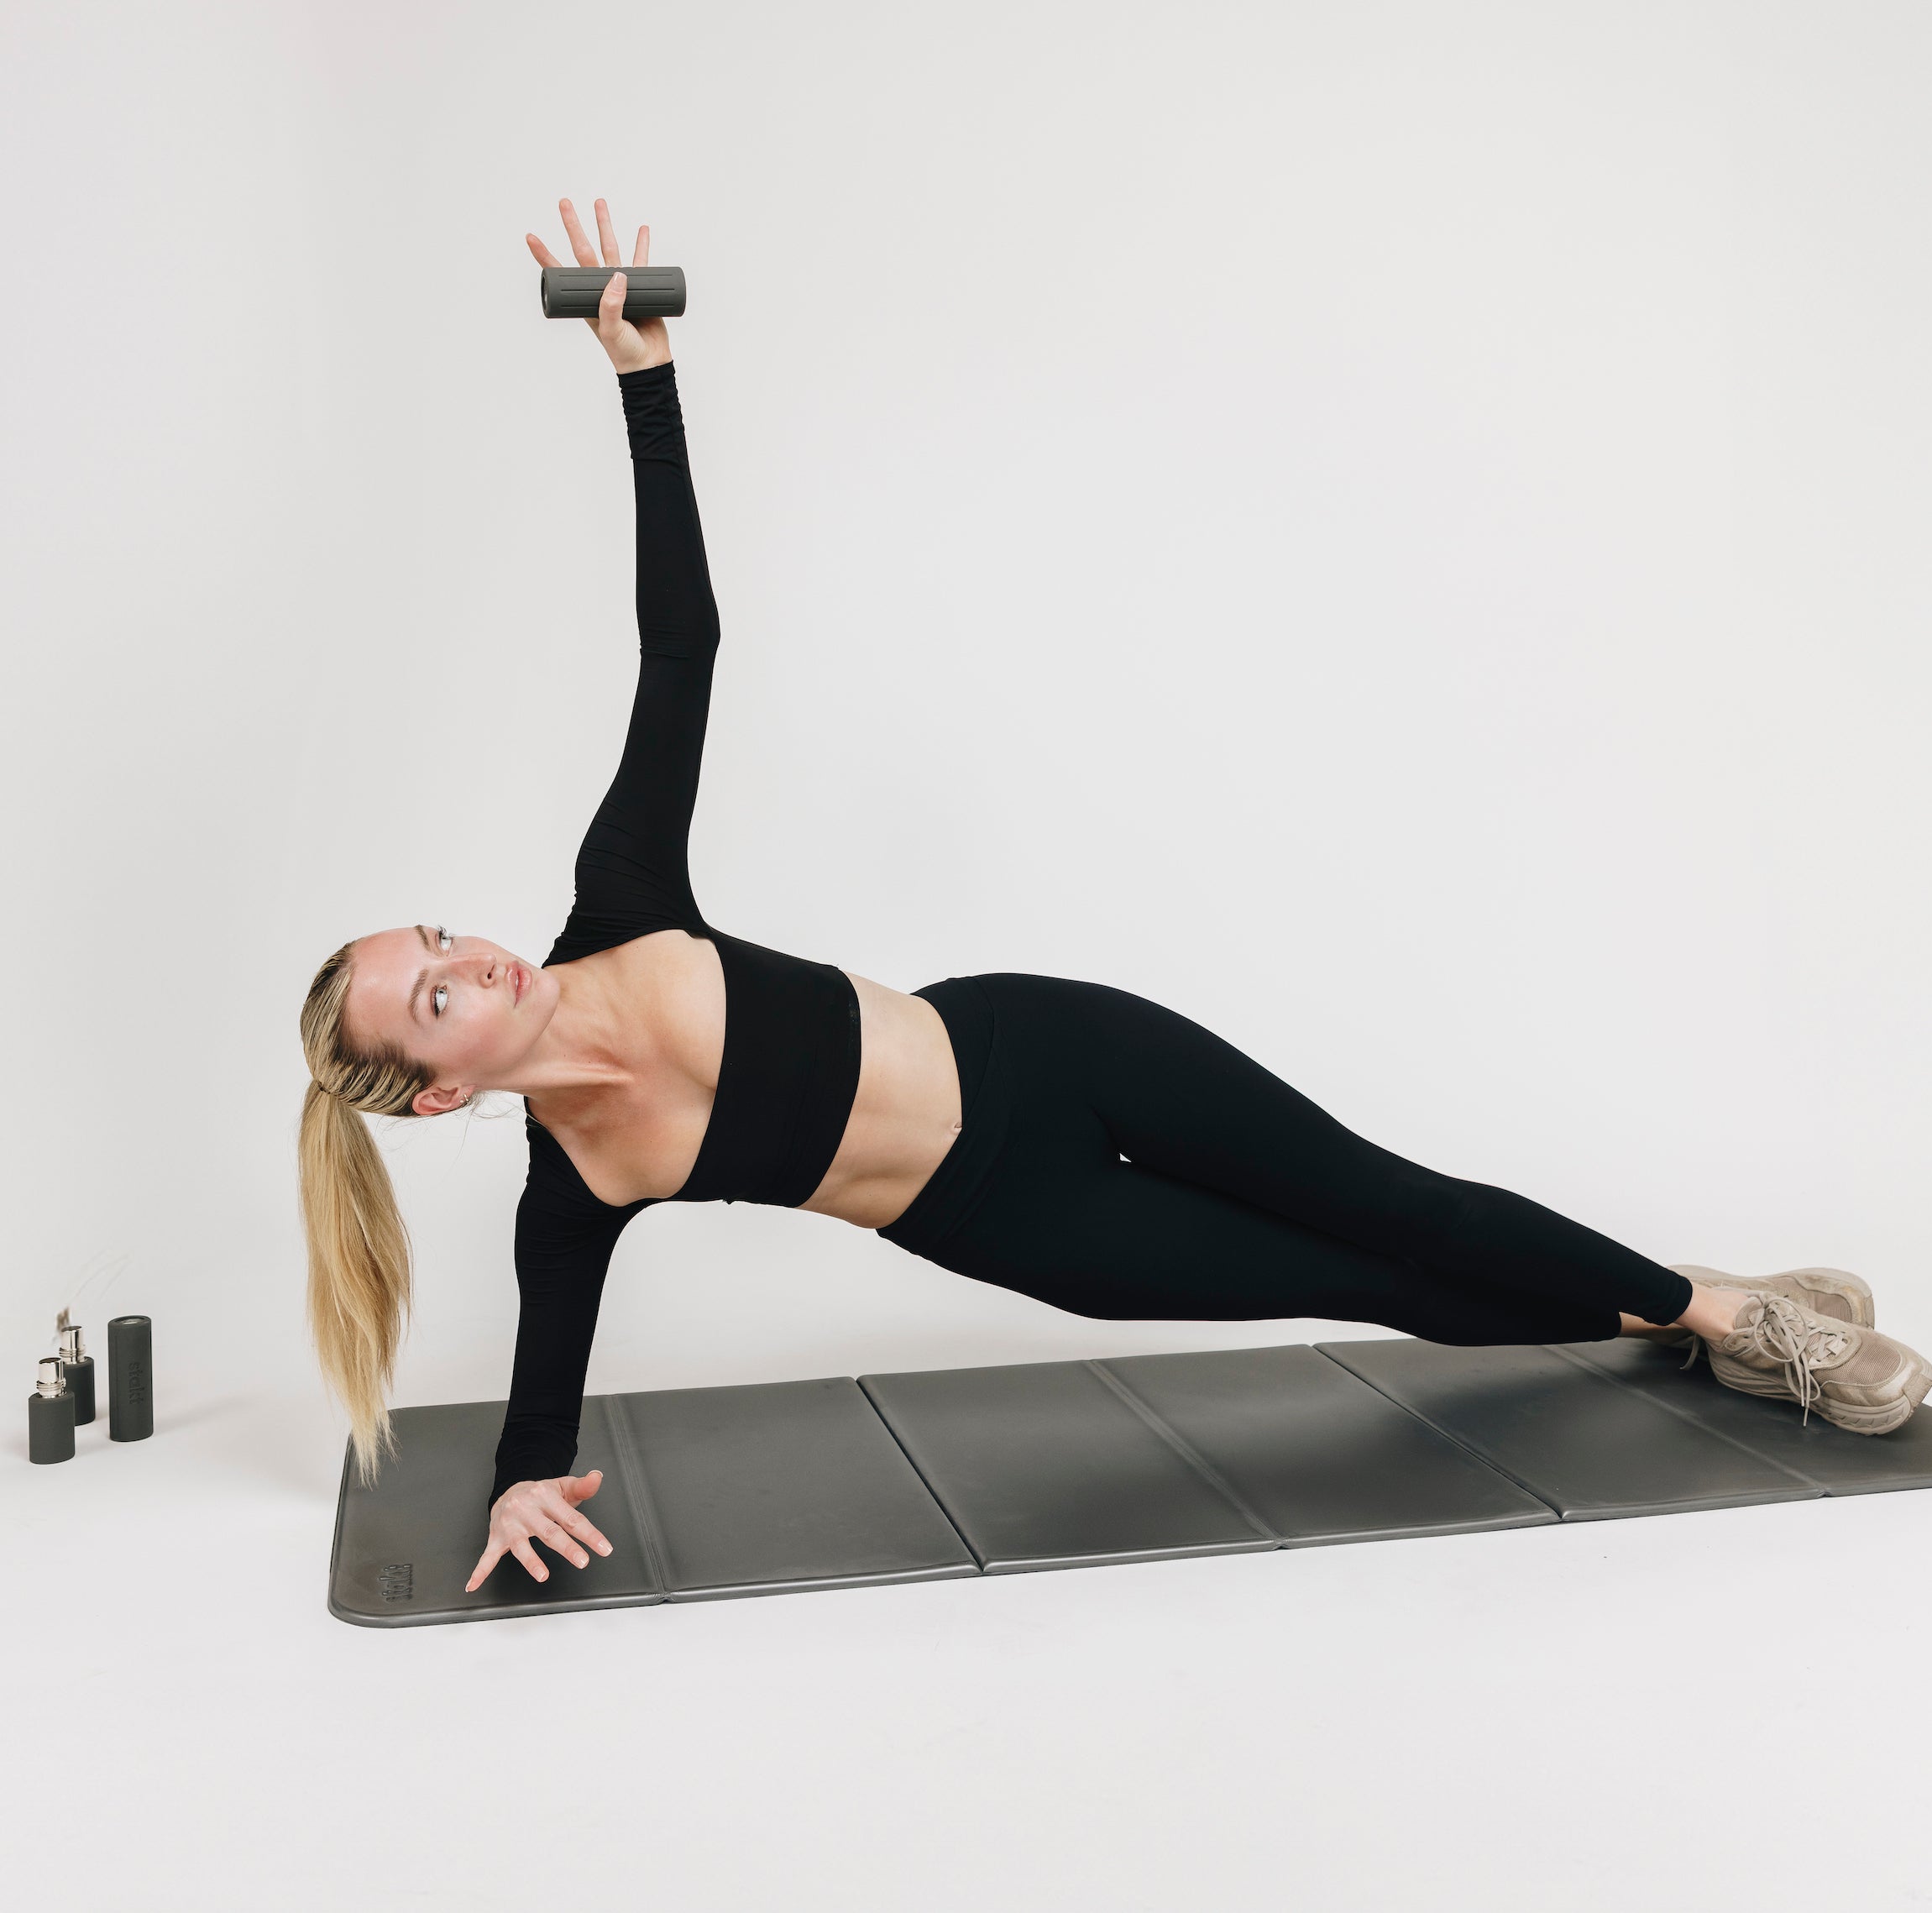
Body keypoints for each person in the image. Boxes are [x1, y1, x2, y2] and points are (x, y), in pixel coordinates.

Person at [297, 198, 1932, 1595]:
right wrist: (523, 1475)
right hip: (1010, 1219)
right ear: (438, 1090)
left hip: (1044, 1052)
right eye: (436, 992)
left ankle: (1735, 1307)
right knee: (1372, 1284)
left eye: (441, 934)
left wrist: (645, 386)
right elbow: (541, 1391)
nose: (476, 958)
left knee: (1390, 1199)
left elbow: (682, 647)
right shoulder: (573, 1183)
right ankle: (1662, 1304)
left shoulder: (620, 904)